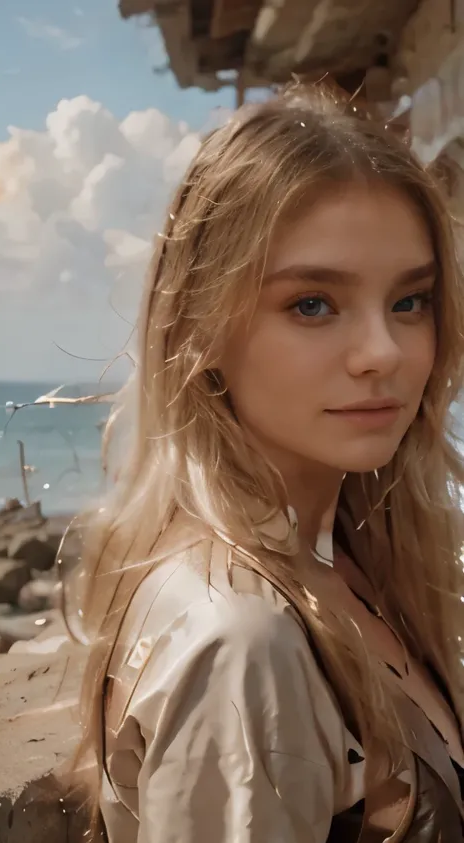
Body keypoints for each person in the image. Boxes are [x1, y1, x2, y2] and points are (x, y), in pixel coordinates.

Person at [66, 86, 464, 842]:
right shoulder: (242, 640)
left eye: (411, 301)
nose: (383, 352)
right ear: (201, 325)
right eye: (312, 303)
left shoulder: (349, 557)